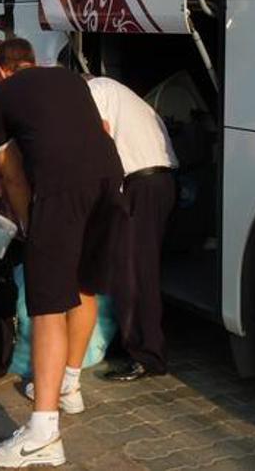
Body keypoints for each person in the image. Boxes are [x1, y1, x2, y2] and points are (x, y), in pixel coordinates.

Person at [0, 38, 124, 468]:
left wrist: (29, 227)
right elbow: (101, 132)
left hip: (63, 192)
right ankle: (69, 386)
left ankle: (42, 434)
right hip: (111, 182)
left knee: (46, 307)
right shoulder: (70, 79)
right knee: (82, 285)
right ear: (32, 62)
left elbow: (12, 175)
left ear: (2, 71)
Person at [86, 75, 178, 381]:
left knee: (133, 273)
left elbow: (100, 137)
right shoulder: (123, 94)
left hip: (140, 183)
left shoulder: (93, 90)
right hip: (160, 181)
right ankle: (138, 342)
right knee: (140, 268)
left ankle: (147, 356)